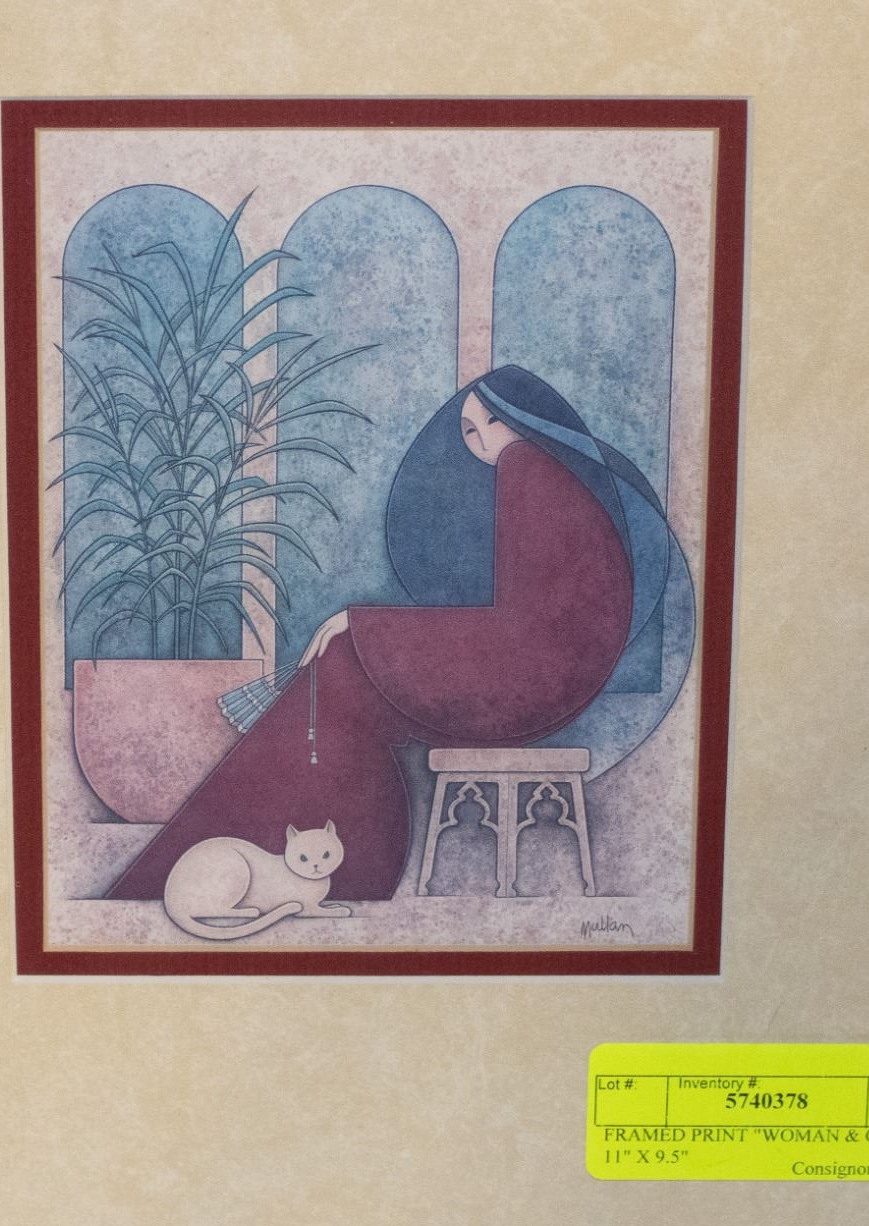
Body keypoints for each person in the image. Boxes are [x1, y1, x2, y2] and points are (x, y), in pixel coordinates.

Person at [104, 365, 672, 903]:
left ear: (524, 420)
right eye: (469, 431)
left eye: (491, 423)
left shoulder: (526, 467)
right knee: (343, 668)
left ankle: (277, 866)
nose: (481, 442)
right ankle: (331, 864)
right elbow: (528, 619)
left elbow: (522, 630)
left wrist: (360, 620)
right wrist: (366, 625)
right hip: (549, 669)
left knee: (341, 664)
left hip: (535, 674)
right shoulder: (550, 474)